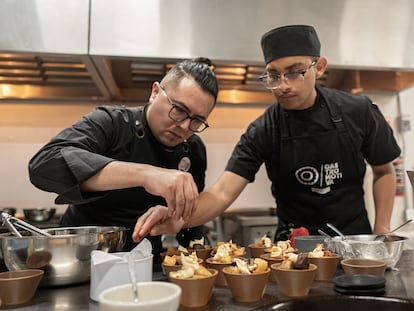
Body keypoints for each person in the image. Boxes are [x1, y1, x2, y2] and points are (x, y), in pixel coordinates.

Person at [133, 25, 401, 244]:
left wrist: (382, 228)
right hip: (294, 249)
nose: (283, 85)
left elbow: (384, 172)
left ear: (318, 67)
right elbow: (222, 192)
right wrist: (179, 218)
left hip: (354, 243)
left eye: (295, 72)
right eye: (273, 76)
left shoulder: (359, 111)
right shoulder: (263, 130)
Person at [28, 57, 219, 266]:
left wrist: (194, 259)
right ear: (155, 92)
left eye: (197, 120)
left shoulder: (194, 149)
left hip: (145, 263)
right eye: (179, 110)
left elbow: (188, 216)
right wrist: (146, 175)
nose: (184, 126)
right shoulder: (111, 122)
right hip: (80, 261)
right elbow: (43, 163)